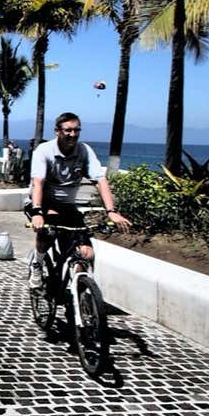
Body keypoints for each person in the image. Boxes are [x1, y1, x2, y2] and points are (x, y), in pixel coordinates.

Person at [26, 112, 131, 289]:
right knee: (48, 232)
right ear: (57, 131)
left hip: (68, 206)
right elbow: (38, 182)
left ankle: (78, 287)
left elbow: (100, 181)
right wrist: (37, 212)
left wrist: (111, 212)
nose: (73, 135)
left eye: (76, 130)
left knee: (86, 253)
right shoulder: (44, 151)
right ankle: (37, 263)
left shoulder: (84, 151)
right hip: (44, 202)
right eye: (68, 130)